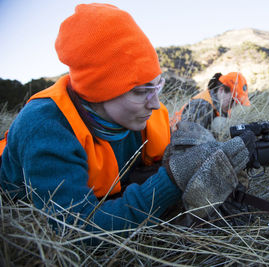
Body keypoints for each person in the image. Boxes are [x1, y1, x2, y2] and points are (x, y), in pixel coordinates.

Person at [0, 3, 254, 233]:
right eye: (140, 91)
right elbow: (76, 231)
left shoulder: (140, 116)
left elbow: (160, 164)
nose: (155, 104)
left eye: (157, 87)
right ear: (98, 91)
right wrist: (171, 181)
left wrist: (198, 149)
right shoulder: (47, 128)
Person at [171, 72, 251, 132]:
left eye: (239, 103)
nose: (235, 105)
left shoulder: (221, 108)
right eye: (234, 100)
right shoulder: (201, 106)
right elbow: (188, 142)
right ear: (221, 90)